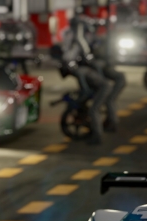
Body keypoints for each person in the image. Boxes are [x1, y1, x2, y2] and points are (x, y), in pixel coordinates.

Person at [60, 15, 111, 144]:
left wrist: (77, 100)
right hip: (98, 85)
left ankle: (97, 137)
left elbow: (85, 90)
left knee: (93, 110)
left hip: (103, 88)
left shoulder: (79, 72)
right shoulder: (73, 39)